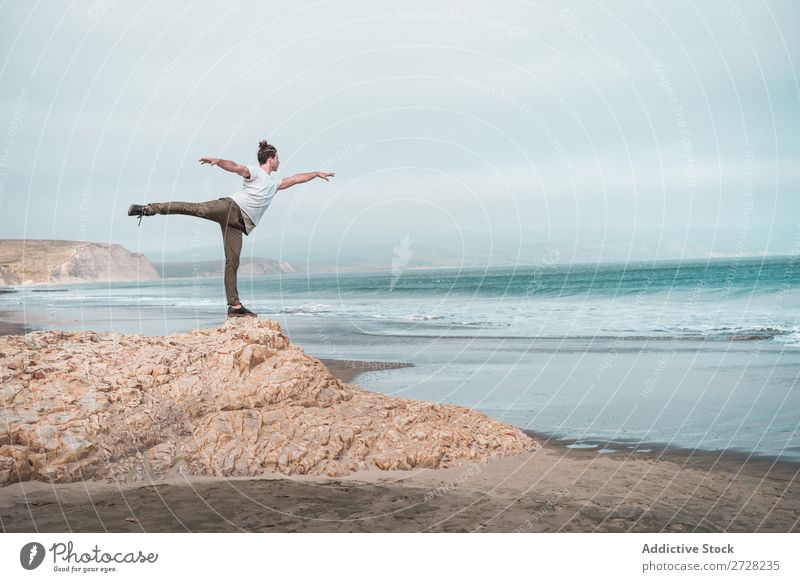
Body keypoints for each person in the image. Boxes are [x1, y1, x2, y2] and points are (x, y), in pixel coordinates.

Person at [128, 140, 334, 317]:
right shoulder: (255, 172)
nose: (279, 161)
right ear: (271, 158)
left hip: (238, 224)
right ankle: (148, 209)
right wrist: (219, 162)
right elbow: (235, 167)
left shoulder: (274, 183)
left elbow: (296, 179)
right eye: (278, 158)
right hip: (228, 208)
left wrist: (315, 174)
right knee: (192, 208)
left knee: (232, 261)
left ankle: (234, 306)